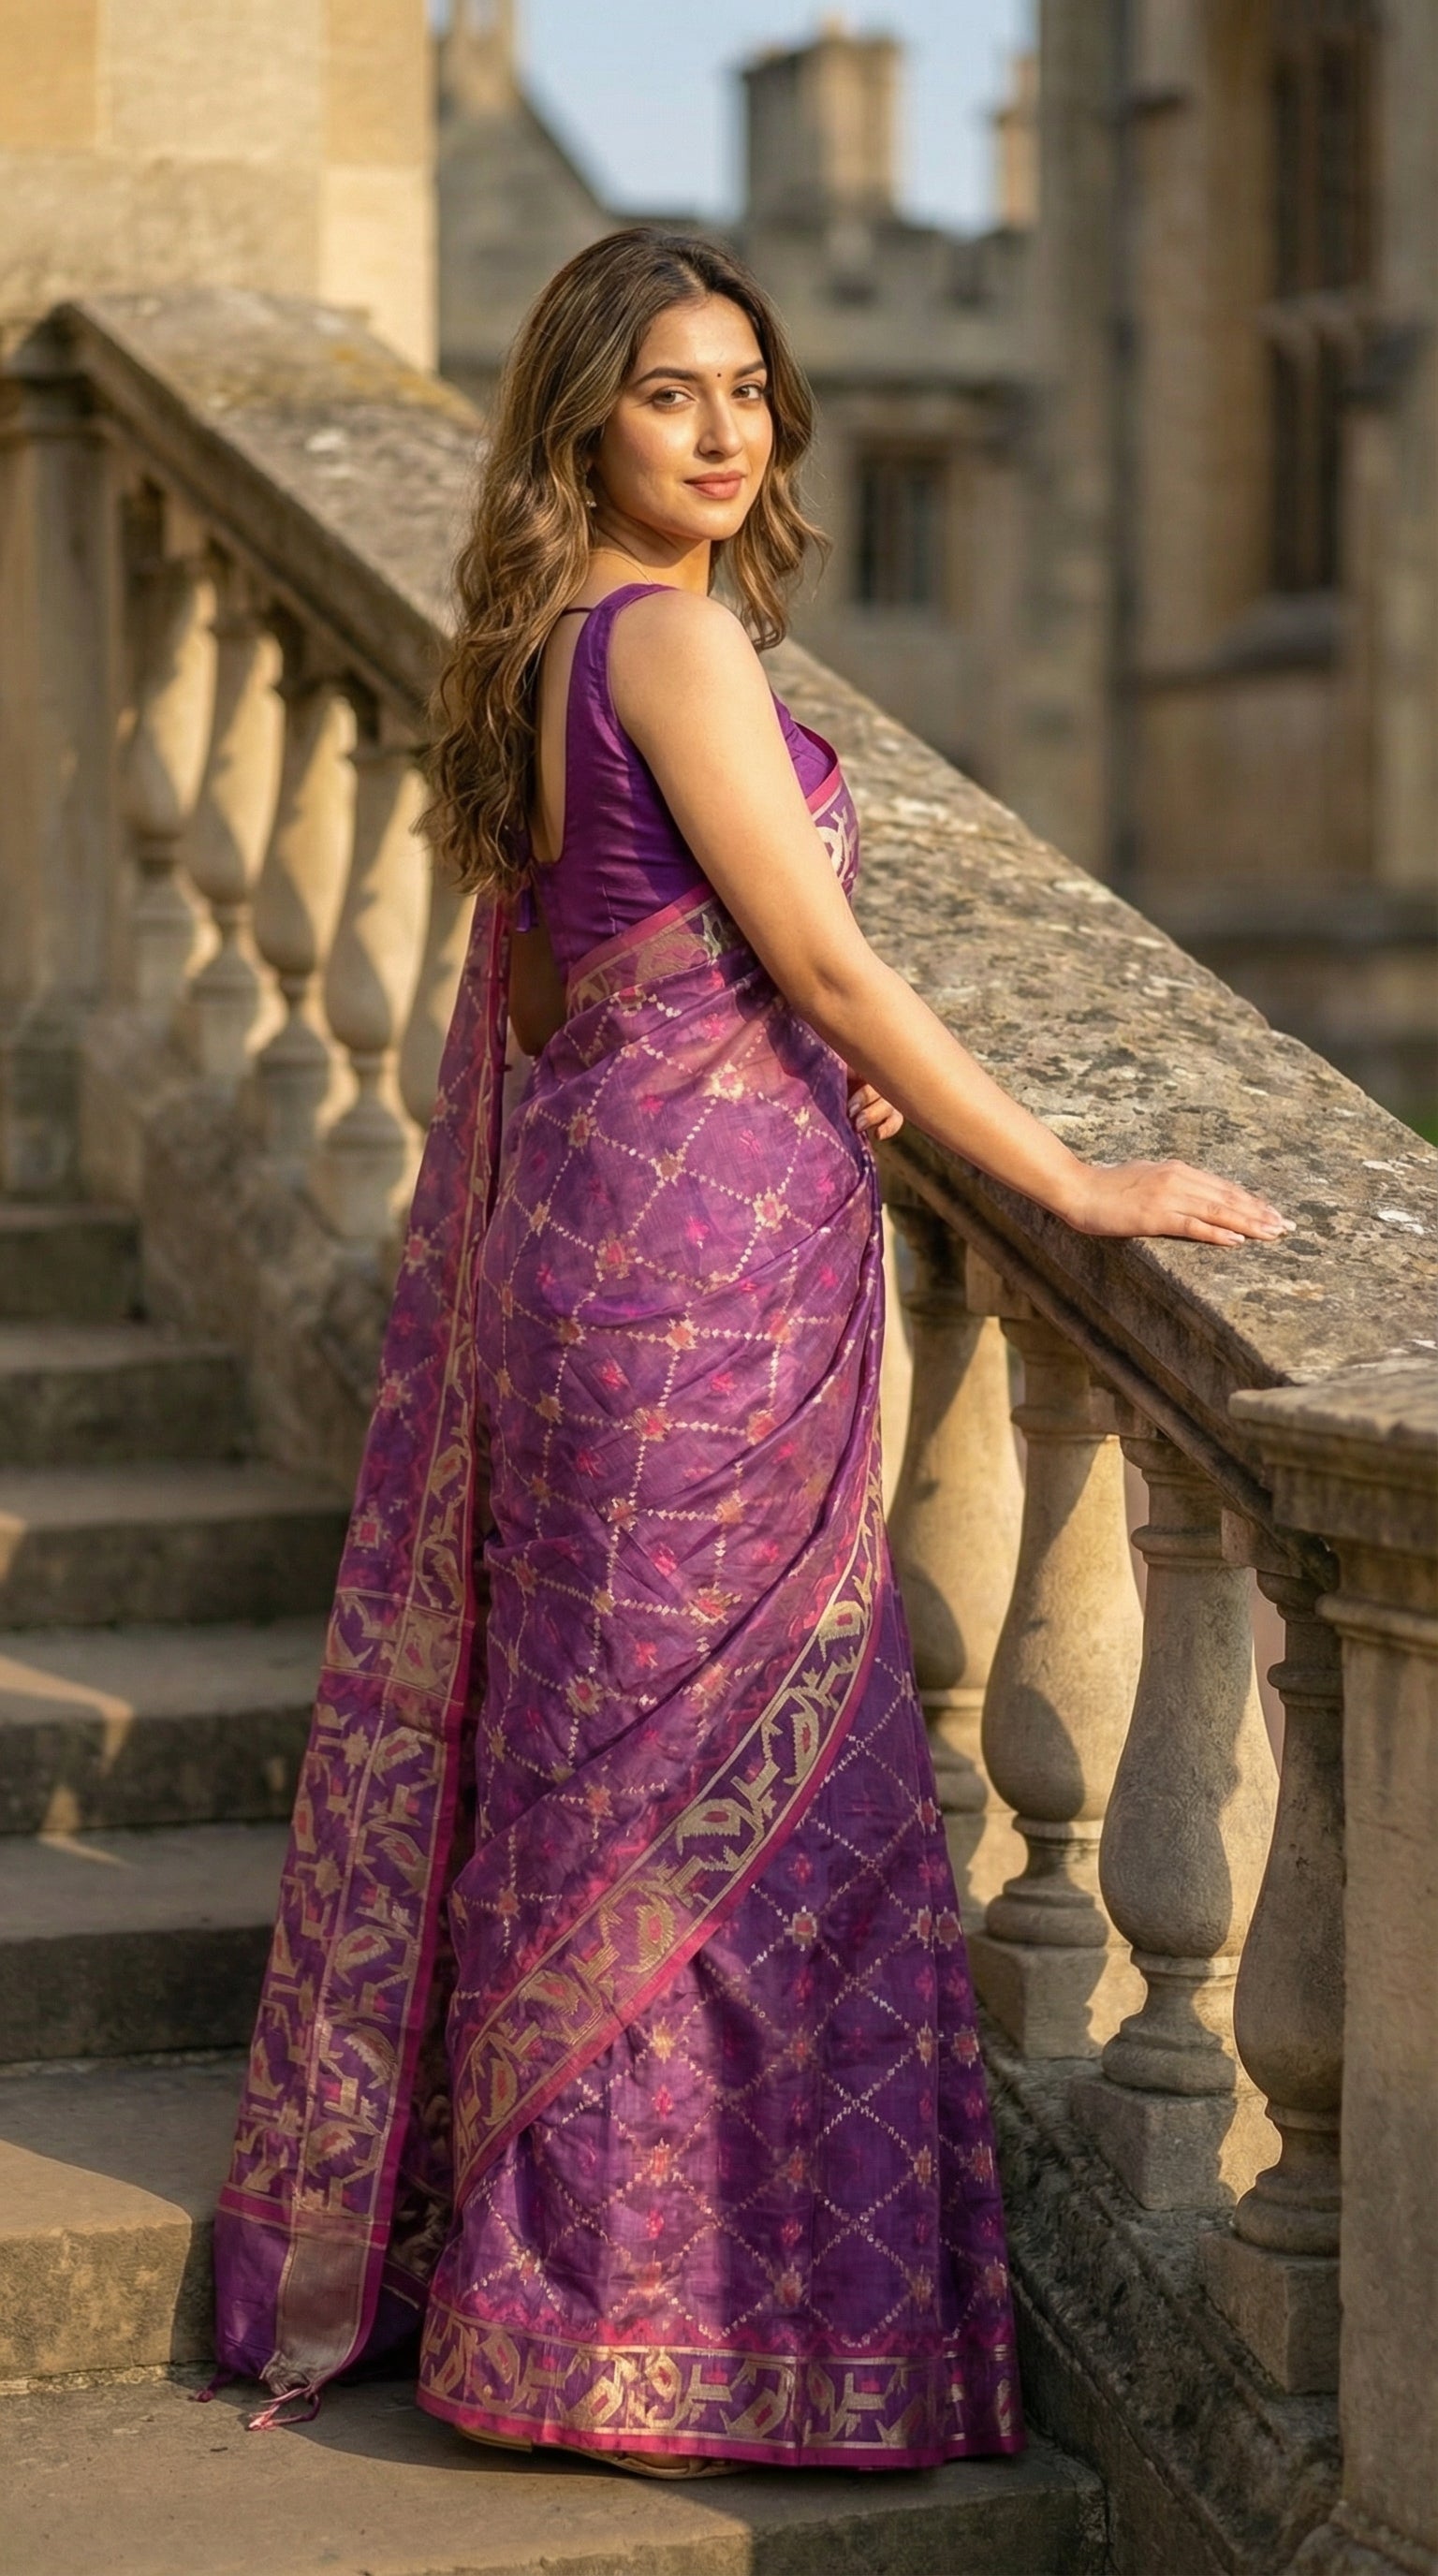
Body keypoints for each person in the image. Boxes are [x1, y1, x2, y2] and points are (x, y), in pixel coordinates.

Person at [212, 229, 1288, 2477]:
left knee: (606, 1772)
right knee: (748, 1797)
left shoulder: (539, 647)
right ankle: (685, 2326)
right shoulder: (675, 639)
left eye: (751, 390)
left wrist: (771, 1060)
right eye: (673, 393)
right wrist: (1072, 1179)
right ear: (584, 421)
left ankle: (555, 2320)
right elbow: (821, 953)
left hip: (605, 1252)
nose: (728, 433)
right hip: (703, 1291)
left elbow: (589, 986)